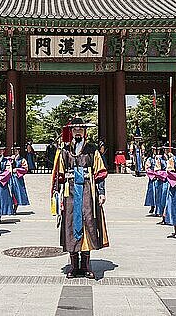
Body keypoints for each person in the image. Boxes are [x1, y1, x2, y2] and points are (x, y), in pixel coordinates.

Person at [51, 117, 108, 279]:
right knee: (70, 223)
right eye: (74, 129)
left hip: (87, 192)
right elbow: (59, 176)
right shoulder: (64, 152)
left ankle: (87, 264)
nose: (77, 131)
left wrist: (101, 192)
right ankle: (74, 264)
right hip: (70, 194)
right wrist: (57, 196)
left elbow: (100, 173)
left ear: (85, 132)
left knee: (88, 222)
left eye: (80, 129)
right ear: (71, 131)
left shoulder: (92, 151)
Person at [0, 147, 14, 221]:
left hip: (1, 183)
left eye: (1, 150)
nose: (0, 152)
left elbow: (8, 171)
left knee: (1, 199)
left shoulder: (6, 161)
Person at [9, 145, 30, 214]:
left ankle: (15, 207)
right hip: (9, 177)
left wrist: (17, 169)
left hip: (17, 178)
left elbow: (25, 169)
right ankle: (10, 207)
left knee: (17, 192)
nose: (15, 152)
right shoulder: (10, 159)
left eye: (16, 150)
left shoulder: (22, 160)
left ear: (18, 151)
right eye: (13, 151)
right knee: (9, 192)